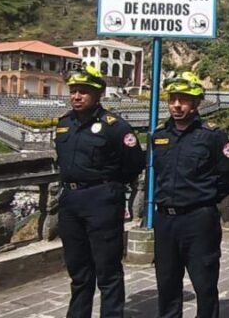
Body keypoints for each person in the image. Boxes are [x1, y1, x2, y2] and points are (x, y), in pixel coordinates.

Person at [54, 65, 145, 318]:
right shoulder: (64, 124)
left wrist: (111, 188)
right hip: (70, 201)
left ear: (98, 95)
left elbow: (134, 163)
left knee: (107, 270)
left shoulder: (115, 126)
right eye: (73, 91)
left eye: (83, 92)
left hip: (101, 201)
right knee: (78, 270)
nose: (77, 96)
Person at [151, 71, 229, 318]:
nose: (177, 105)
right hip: (166, 220)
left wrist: (206, 199)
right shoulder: (159, 136)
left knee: (204, 282)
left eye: (183, 99)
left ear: (196, 102)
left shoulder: (212, 136)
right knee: (167, 283)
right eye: (172, 99)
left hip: (199, 220)